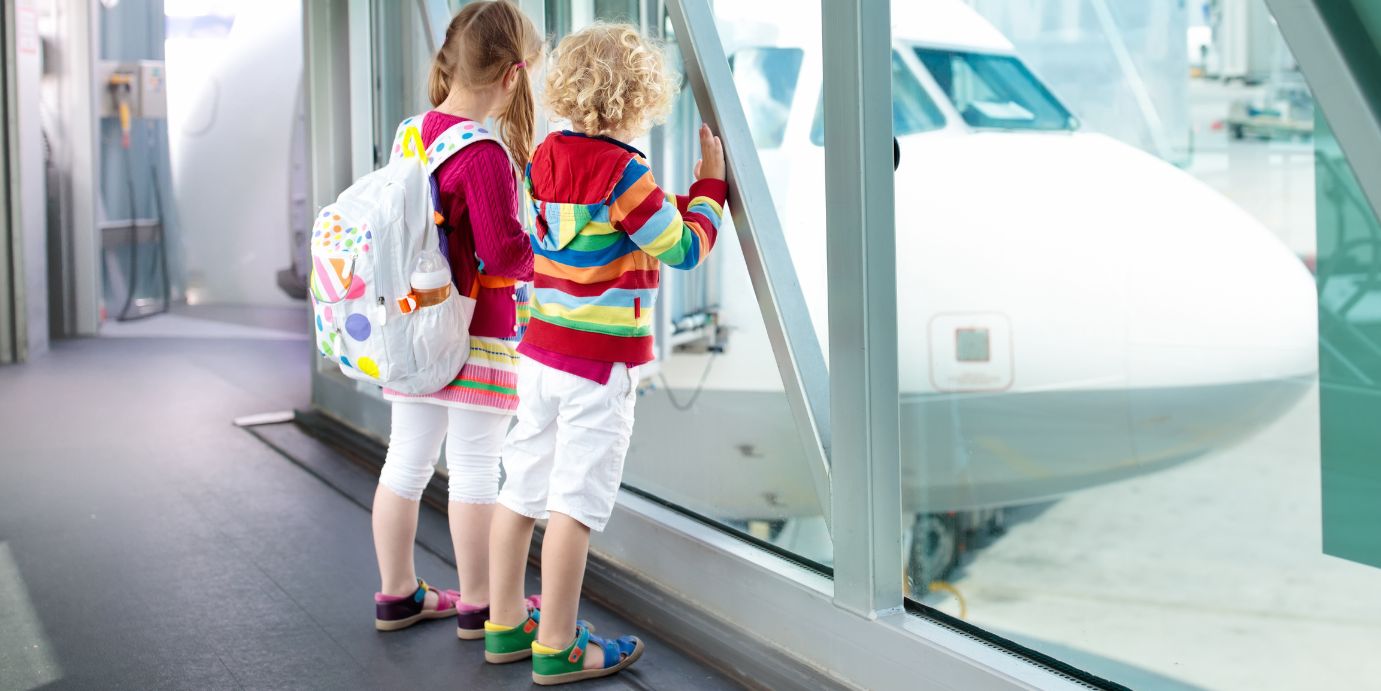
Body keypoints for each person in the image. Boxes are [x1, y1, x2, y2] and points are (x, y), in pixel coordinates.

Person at [484, 22, 727, 685]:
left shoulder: (545, 155)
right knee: (574, 505)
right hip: (597, 366)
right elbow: (681, 247)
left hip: (539, 355)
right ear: (640, 99)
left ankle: (505, 622)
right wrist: (710, 189)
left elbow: (594, 230)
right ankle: (558, 644)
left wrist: (666, 206)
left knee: (522, 486)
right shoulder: (626, 170)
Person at [370, 0, 543, 641]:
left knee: (405, 463)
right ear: (512, 76)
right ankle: (478, 604)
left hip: (414, 327)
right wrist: (545, 246)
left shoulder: (412, 132)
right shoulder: (485, 156)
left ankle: (396, 593)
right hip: (480, 335)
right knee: (475, 469)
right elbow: (503, 254)